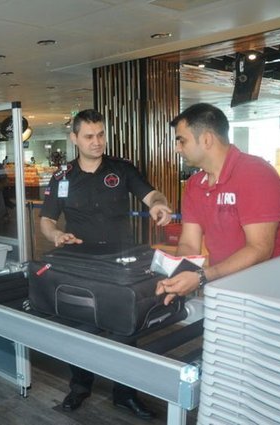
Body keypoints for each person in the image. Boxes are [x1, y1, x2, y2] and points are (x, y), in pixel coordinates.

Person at [40, 109, 172, 419]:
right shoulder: (62, 177)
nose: (97, 141)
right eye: (89, 136)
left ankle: (125, 394)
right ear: (74, 138)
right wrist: (56, 234)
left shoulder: (122, 169)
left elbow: (151, 194)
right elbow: (46, 220)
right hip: (80, 263)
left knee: (125, 329)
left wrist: (159, 204)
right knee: (78, 327)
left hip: (119, 263)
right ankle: (79, 387)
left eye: (100, 134)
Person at [156, 103, 280, 304]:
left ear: (206, 139)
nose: (177, 148)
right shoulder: (195, 185)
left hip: (270, 292)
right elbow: (189, 244)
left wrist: (202, 276)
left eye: (182, 141)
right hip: (225, 288)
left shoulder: (255, 173)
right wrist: (179, 277)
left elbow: (259, 248)